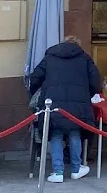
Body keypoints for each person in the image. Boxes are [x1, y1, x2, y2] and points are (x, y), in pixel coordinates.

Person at [28, 36, 101, 183]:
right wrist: (87, 95)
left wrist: (36, 93)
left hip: (53, 103)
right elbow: (95, 82)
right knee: (75, 133)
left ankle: (58, 172)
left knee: (55, 134)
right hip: (78, 104)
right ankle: (76, 169)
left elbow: (35, 78)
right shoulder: (84, 58)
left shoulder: (50, 57)